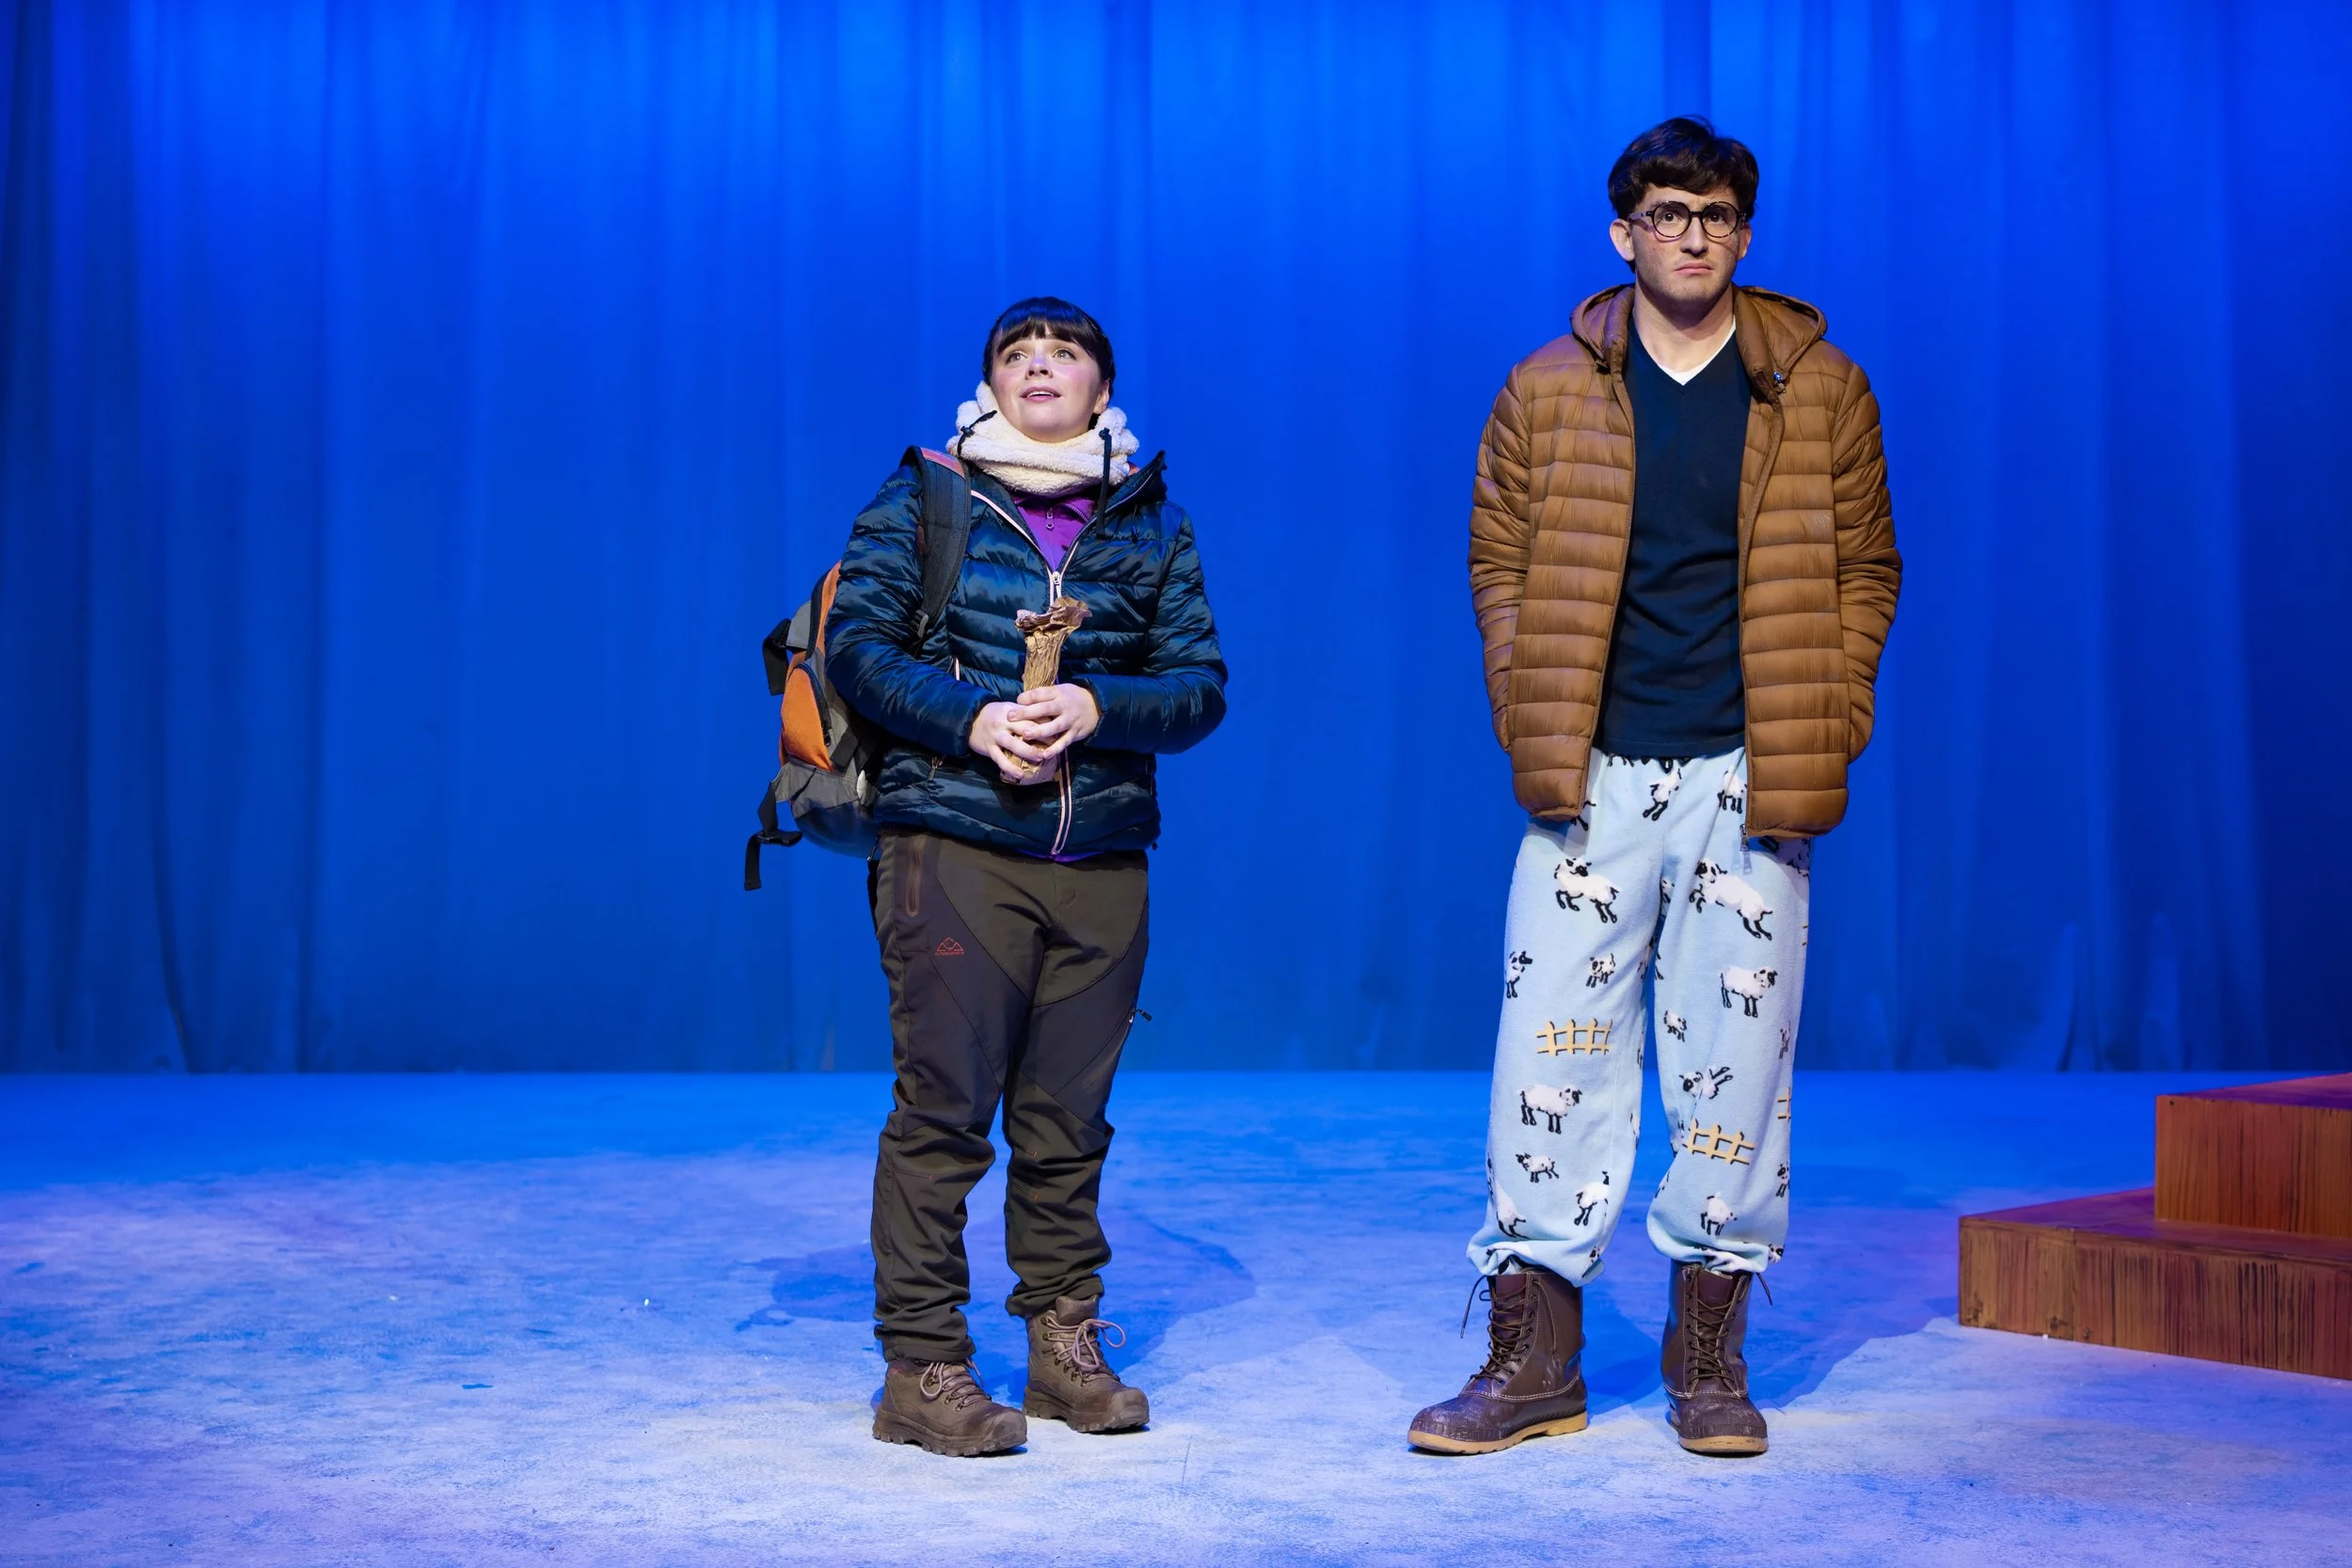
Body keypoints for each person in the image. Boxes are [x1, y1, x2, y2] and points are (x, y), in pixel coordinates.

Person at [1408, 118, 1900, 1458]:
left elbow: (1868, 567)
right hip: (1593, 775)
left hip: (1750, 766)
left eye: (1717, 213)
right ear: (1623, 233)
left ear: (1744, 232)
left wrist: (1832, 714)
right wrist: (1529, 711)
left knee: (1736, 1064)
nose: (1693, 234)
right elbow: (1499, 561)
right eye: (1668, 213)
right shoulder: (1547, 385)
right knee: (1547, 1055)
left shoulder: (1819, 385)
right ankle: (1536, 1360)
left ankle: (1708, 1358)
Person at [824, 297, 1227, 1457]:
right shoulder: (926, 496)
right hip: (954, 843)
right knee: (944, 1112)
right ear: (990, 383)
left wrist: (1100, 705)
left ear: (1102, 386)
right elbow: (859, 648)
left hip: (1100, 855)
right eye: (1016, 351)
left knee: (1068, 1121)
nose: (1039, 362)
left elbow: (1199, 686)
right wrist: (973, 718)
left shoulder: (1150, 522)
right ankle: (923, 1365)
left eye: (1065, 351)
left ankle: (1062, 1341)